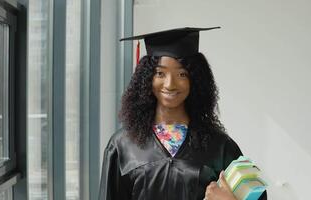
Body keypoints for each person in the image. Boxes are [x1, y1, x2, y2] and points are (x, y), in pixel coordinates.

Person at [98, 27, 267, 200]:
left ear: (195, 79)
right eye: (160, 73)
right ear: (147, 78)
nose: (170, 84)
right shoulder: (123, 145)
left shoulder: (219, 146)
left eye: (181, 74)